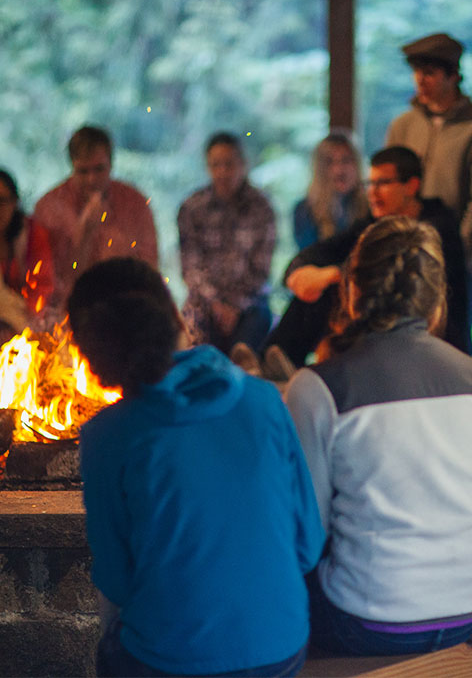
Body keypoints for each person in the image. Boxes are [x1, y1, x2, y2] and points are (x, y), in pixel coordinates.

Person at [67, 257, 324, 678]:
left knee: (112, 649)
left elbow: (116, 581)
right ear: (175, 316)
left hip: (171, 662)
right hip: (282, 650)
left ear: (91, 354)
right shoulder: (264, 400)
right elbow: (307, 544)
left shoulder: (107, 435)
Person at [285, 216, 472, 656]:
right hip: (471, 603)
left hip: (367, 618)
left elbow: (304, 537)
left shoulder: (318, 387)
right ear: (436, 298)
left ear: (350, 289)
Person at [262, 146, 468, 368]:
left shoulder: (437, 227)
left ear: (411, 186)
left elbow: (390, 272)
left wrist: (333, 274)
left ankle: (273, 366)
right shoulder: (373, 222)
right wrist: (301, 270)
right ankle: (272, 364)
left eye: (383, 183)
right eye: (370, 183)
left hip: (426, 333)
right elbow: (325, 249)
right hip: (379, 324)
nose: (373, 192)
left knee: (333, 288)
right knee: (319, 292)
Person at [386, 32, 472, 352]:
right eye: (416, 73)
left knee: (451, 345)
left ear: (453, 76)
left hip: (452, 259)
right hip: (402, 253)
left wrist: (456, 253)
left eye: (429, 73)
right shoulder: (403, 125)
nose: (420, 81)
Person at [33, 125, 158, 316]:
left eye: (99, 169)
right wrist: (84, 234)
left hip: (127, 309)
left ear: (111, 164)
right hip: (72, 311)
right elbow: (53, 282)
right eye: (83, 171)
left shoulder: (134, 202)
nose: (92, 180)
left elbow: (149, 270)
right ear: (72, 166)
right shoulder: (50, 207)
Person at [178, 131, 276, 353]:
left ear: (243, 164)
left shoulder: (261, 208)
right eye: (216, 165)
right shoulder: (192, 208)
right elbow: (190, 267)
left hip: (249, 305)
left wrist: (233, 306)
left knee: (254, 328)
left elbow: (261, 270)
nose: (223, 172)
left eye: (229, 164)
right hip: (205, 304)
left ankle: (245, 369)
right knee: (192, 331)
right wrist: (216, 303)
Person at [0, 169, 54, 340]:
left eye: (1, 201)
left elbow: (43, 285)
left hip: (25, 322)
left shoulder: (31, 234)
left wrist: (18, 323)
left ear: (15, 202)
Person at [293, 132, 368, 249]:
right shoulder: (304, 210)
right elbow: (309, 255)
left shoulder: (371, 207)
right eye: (330, 162)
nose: (339, 171)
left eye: (346, 160)